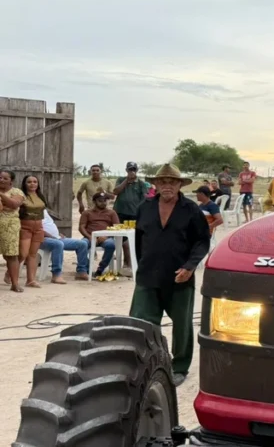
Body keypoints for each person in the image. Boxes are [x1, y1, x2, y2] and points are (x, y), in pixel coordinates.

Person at [130, 163, 211, 387]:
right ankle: (144, 362)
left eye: (172, 182)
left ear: (179, 185)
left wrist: (190, 266)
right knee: (141, 321)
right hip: (148, 276)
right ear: (155, 185)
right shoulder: (144, 207)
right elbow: (139, 241)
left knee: (182, 323)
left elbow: (202, 241)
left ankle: (179, 366)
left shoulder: (191, 209)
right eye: (162, 181)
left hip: (179, 276)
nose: (167, 186)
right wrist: (144, 264)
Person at [112, 161, 150, 277]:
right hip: (120, 212)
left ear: (137, 170)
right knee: (122, 238)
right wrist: (126, 181)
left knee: (134, 238)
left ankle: (133, 262)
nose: (131, 172)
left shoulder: (141, 184)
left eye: (133, 169)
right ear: (126, 170)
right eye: (130, 170)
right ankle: (125, 262)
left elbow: (144, 198)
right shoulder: (120, 180)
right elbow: (115, 191)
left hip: (134, 214)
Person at [39, 208, 90, 283]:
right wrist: (51, 236)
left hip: (56, 237)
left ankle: (81, 271)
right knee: (58, 244)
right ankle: (56, 274)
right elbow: (36, 229)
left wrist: (57, 234)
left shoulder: (44, 211)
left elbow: (48, 225)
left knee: (82, 244)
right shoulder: (32, 212)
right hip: (42, 239)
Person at [16, 174, 47, 289]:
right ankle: (10, 273)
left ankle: (30, 280)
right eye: (29, 182)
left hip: (38, 228)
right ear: (25, 184)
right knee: (22, 254)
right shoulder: (21, 196)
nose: (32, 184)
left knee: (33, 254)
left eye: (35, 182)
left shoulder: (40, 196)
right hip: (25, 227)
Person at [80, 192, 120, 279]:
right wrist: (89, 237)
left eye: (105, 200)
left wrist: (106, 236)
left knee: (111, 245)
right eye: (100, 201)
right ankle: (86, 268)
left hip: (106, 237)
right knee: (81, 245)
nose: (103, 203)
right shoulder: (87, 213)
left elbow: (117, 227)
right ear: (94, 201)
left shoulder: (111, 213)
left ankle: (100, 269)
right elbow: (81, 227)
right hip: (89, 237)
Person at [1, 170, 25, 292]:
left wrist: (2, 196)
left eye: (5, 178)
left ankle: (14, 283)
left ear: (11, 180)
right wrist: (5, 206)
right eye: (0, 177)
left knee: (11, 255)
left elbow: (14, 204)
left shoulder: (17, 192)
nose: (2, 180)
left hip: (10, 227)